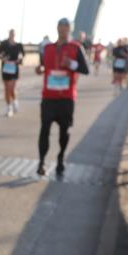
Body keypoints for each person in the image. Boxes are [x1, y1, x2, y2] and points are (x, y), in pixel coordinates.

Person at [35, 17, 89, 178]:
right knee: (44, 129)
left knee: (64, 132)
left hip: (66, 98)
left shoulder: (76, 48)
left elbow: (85, 69)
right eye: (61, 26)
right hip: (48, 97)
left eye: (66, 27)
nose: (63, 29)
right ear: (57, 28)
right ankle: (42, 162)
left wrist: (71, 64)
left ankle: (60, 158)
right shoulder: (48, 48)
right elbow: (44, 66)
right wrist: (40, 69)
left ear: (70, 30)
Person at [0, 28, 25, 117]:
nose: (12, 35)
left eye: (13, 33)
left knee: (12, 89)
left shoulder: (18, 45)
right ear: (9, 34)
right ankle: (9, 107)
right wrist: (2, 58)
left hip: (14, 68)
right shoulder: (4, 44)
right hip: (5, 68)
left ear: (15, 35)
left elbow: (22, 55)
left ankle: (15, 101)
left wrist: (19, 59)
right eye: (10, 33)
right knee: (6, 89)